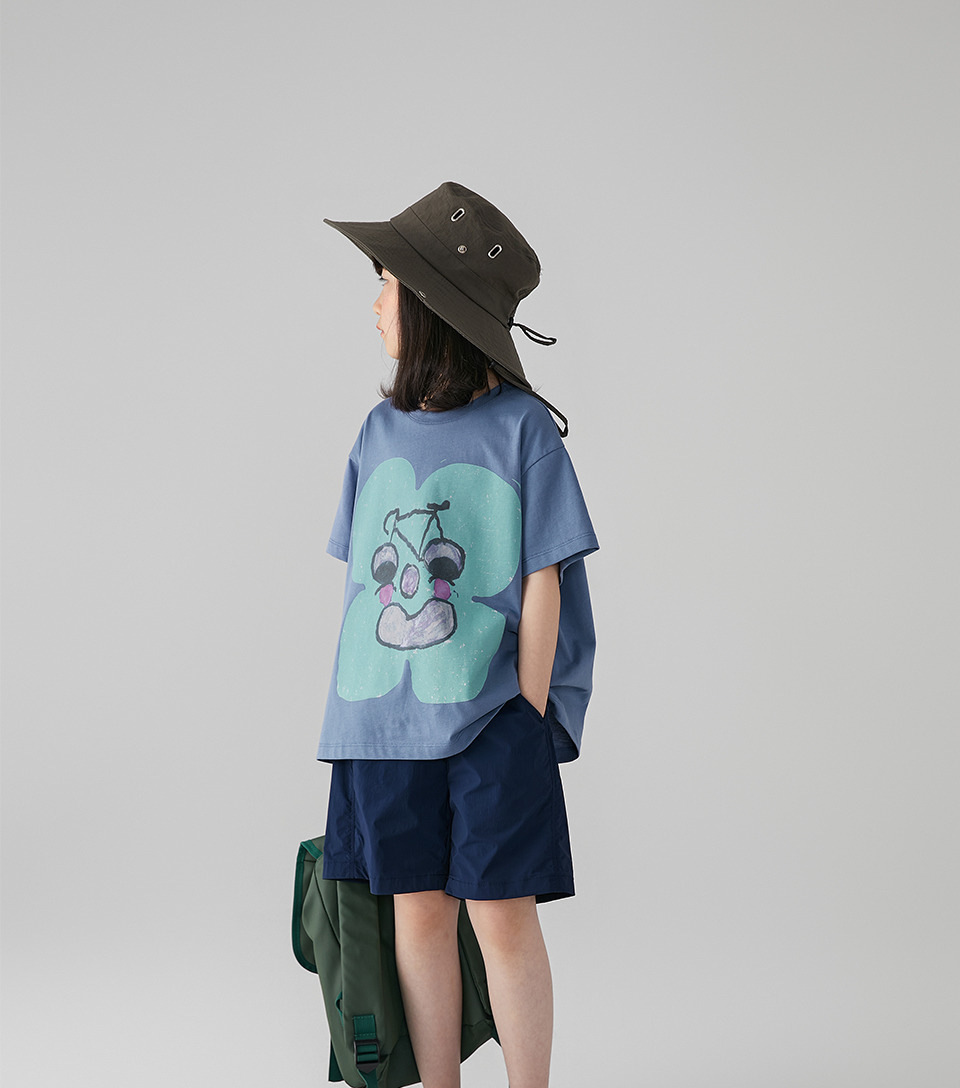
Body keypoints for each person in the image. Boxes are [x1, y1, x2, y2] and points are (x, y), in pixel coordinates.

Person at [316, 181, 599, 1088]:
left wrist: (527, 710)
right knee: (418, 914)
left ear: (432, 306)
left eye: (386, 286)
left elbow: (547, 574)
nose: (374, 307)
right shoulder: (375, 431)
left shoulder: (522, 429)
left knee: (502, 914)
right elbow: (362, 587)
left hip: (492, 720)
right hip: (384, 726)